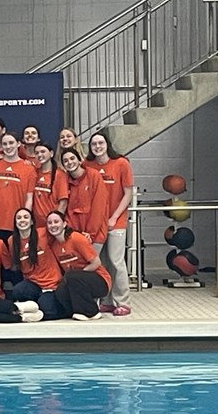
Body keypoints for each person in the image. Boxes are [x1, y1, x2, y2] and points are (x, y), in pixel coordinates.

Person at [84, 133, 134, 317]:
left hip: (116, 221)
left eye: (101, 143)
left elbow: (128, 193)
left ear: (107, 144)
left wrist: (114, 218)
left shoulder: (121, 163)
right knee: (101, 262)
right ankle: (106, 301)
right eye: (94, 144)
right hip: (96, 223)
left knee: (116, 261)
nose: (98, 146)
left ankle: (123, 302)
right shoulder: (87, 165)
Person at [46, 211, 111, 321]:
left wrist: (78, 276)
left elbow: (96, 263)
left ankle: (92, 312)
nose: (53, 225)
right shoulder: (54, 246)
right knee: (60, 291)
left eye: (56, 222)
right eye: (50, 223)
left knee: (72, 277)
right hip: (75, 281)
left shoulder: (76, 238)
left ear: (64, 224)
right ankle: (76, 310)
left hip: (100, 280)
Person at [3, 208, 64, 320]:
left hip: (51, 283)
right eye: (19, 218)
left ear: (31, 221)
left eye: (26, 217)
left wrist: (82, 235)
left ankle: (39, 308)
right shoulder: (12, 240)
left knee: (47, 310)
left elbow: (60, 232)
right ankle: (33, 306)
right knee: (18, 291)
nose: (22, 220)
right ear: (15, 222)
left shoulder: (43, 233)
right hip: (33, 283)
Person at [0, 132, 36, 241]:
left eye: (11, 143)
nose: (8, 146)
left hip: (15, 224)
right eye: (5, 144)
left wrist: (24, 219)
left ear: (18, 144)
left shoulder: (29, 169)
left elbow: (29, 198)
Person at [61, 148, 109, 256]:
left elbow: (99, 207)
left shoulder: (93, 176)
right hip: (75, 234)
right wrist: (73, 232)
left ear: (79, 160)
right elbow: (68, 210)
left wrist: (90, 234)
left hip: (94, 234)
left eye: (72, 158)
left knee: (93, 264)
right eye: (66, 161)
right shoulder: (64, 180)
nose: (69, 162)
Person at [32, 142, 69, 227]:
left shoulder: (59, 174)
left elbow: (63, 202)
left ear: (51, 153)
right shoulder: (34, 173)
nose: (40, 155)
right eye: (37, 153)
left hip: (51, 224)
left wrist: (56, 222)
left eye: (43, 151)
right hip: (36, 224)